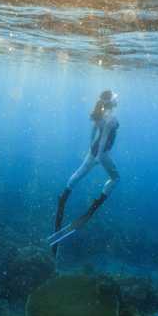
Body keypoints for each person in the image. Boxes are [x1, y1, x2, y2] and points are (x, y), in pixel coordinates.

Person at [50, 90, 120, 254]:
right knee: (116, 178)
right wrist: (99, 156)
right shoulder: (111, 118)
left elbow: (94, 133)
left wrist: (91, 150)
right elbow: (103, 140)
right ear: (112, 102)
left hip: (93, 152)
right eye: (116, 98)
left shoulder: (100, 114)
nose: (117, 99)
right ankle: (94, 207)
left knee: (77, 175)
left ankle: (64, 197)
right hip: (101, 154)